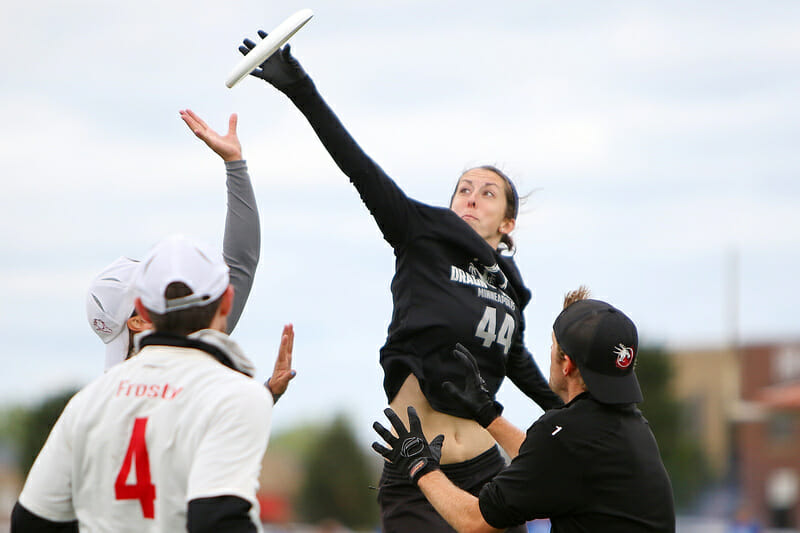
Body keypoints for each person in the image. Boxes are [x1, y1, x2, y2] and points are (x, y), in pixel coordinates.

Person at [236, 35, 563, 532]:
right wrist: (299, 87)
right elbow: (358, 166)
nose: (471, 198)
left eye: (488, 193)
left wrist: (571, 411)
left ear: (508, 223)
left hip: (486, 470)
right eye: (463, 189)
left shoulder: (510, 285)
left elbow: (514, 358)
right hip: (418, 469)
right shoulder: (422, 233)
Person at [11, 234, 296, 533]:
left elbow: (30, 522)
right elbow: (216, 519)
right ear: (226, 300)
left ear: (143, 311)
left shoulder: (88, 400)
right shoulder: (239, 396)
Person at [373, 287, 676, 532]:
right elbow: (549, 460)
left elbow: (474, 521)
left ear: (566, 364)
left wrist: (420, 465)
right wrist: (487, 414)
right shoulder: (633, 429)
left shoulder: (566, 433)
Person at [86, 109, 261, 371]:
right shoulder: (196, 345)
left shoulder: (192, 341)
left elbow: (239, 266)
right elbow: (240, 266)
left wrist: (235, 163)